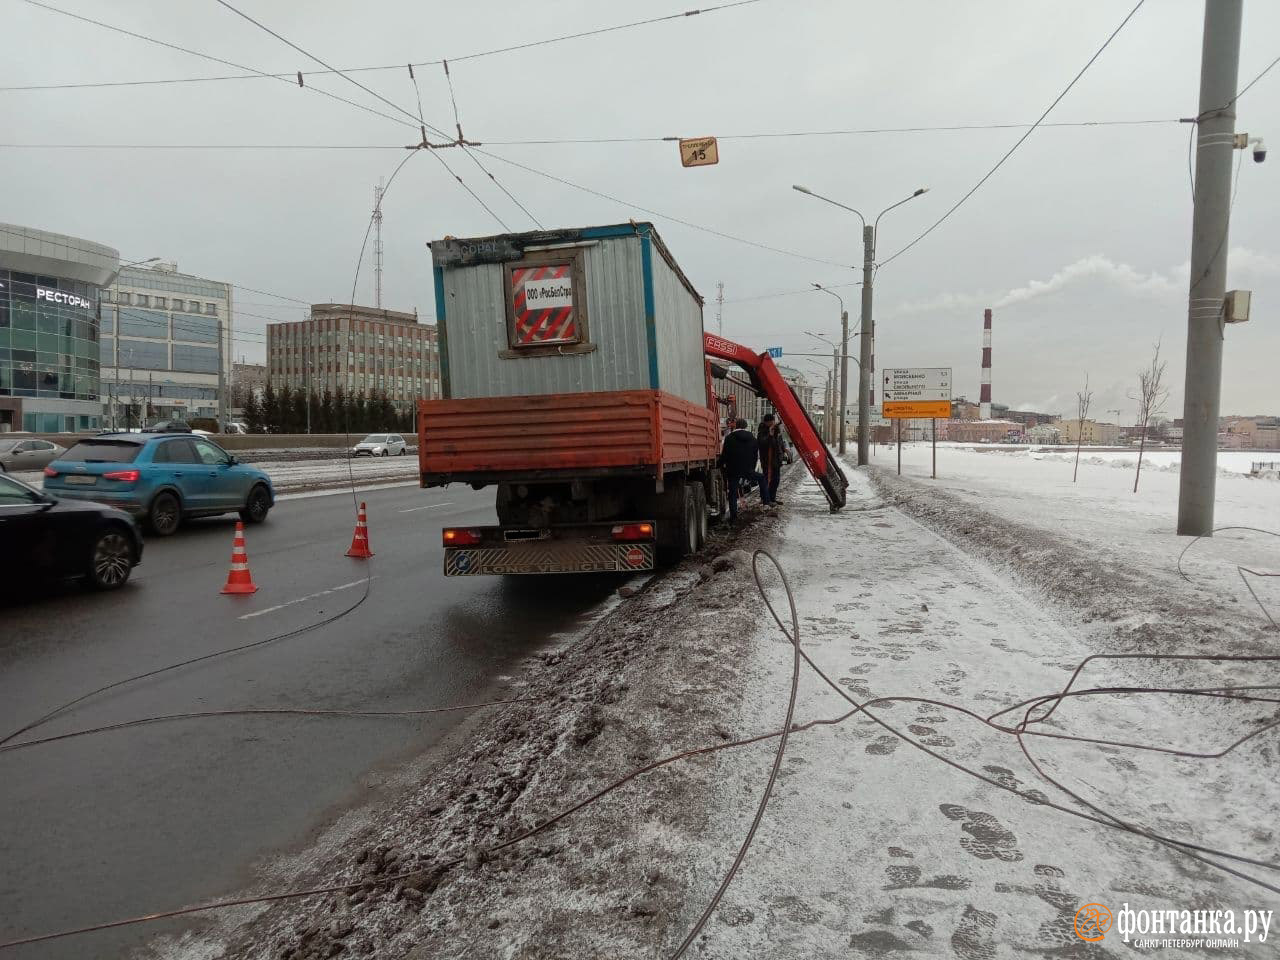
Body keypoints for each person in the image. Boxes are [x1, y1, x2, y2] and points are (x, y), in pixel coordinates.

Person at [719, 418, 760, 524]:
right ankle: (766, 501)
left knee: (732, 493)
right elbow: (755, 456)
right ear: (746, 426)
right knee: (761, 479)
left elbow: (725, 455)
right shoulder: (752, 439)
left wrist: (719, 465)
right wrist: (752, 467)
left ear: (736, 426)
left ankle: (733, 515)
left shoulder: (729, 438)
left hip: (732, 469)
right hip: (747, 469)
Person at [757, 413, 786, 506]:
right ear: (767, 422)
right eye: (771, 421)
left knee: (776, 480)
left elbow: (779, 443)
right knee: (767, 479)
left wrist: (784, 450)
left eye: (773, 421)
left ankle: (772, 498)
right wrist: (770, 434)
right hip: (767, 461)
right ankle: (765, 499)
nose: (773, 423)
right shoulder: (762, 431)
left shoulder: (776, 431)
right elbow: (762, 444)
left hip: (776, 460)